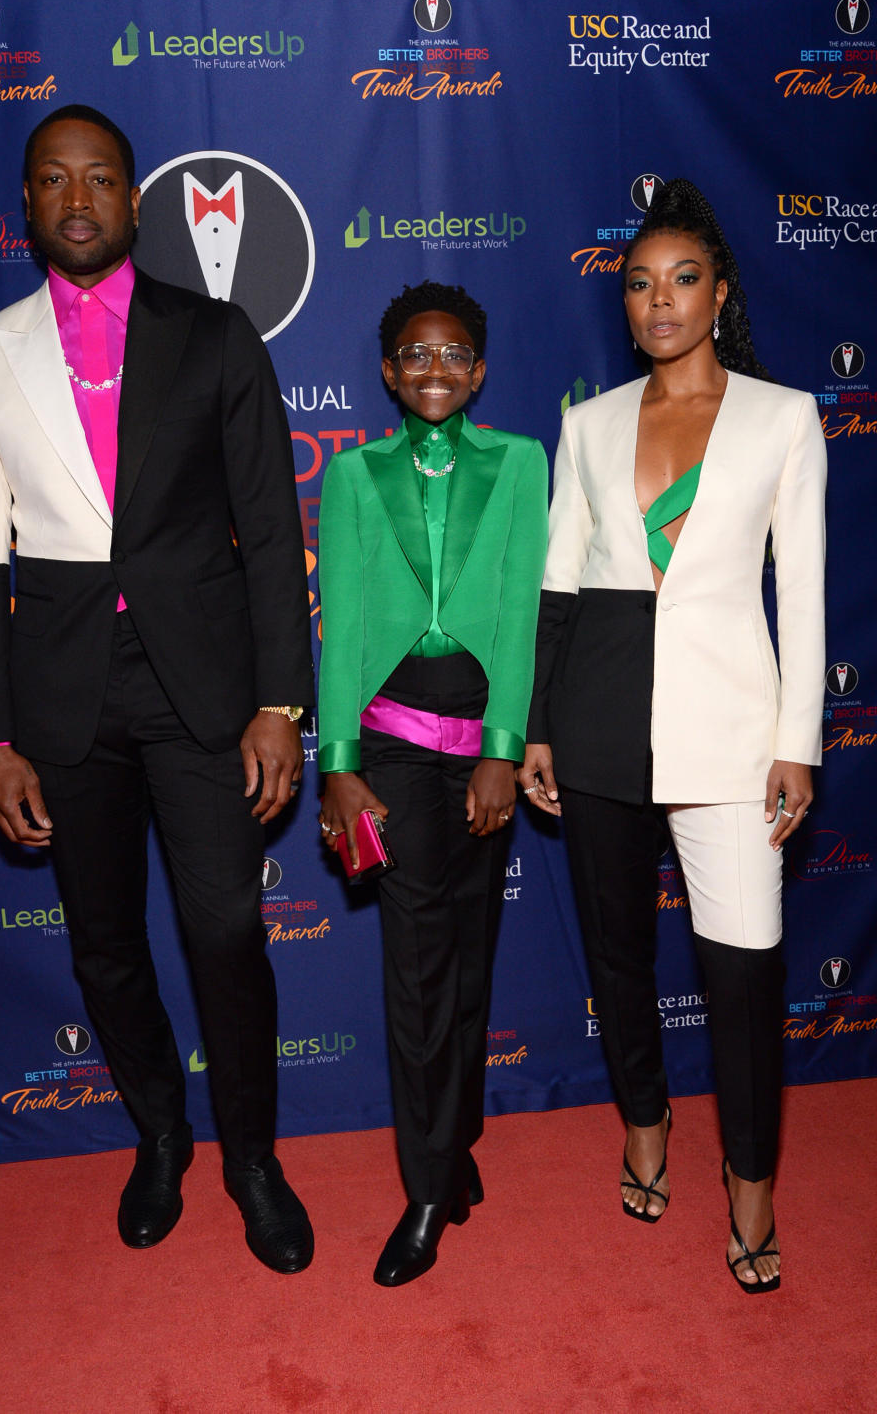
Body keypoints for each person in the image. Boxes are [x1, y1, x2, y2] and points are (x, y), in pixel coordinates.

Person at [0, 104, 316, 1274]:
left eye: (101, 176)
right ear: (30, 204)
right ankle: (161, 1133)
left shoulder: (213, 335)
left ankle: (252, 1154)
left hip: (202, 684)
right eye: (56, 180)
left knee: (226, 930)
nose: (80, 196)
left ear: (136, 200)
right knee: (102, 942)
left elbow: (266, 523)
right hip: (64, 700)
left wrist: (280, 705)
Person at [521, 179, 826, 1293]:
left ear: (719, 291)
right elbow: (558, 585)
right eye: (639, 283)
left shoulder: (785, 417)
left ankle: (752, 1184)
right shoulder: (588, 423)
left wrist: (799, 739)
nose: (659, 301)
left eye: (682, 279)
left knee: (744, 974)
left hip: (735, 738)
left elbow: (806, 593)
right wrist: (540, 725)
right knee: (620, 956)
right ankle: (644, 1125)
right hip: (599, 721)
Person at [317, 281, 548, 1285]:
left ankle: (455, 1145)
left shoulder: (523, 463)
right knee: (417, 965)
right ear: (387, 369)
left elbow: (521, 608)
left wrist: (505, 744)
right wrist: (338, 763)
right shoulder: (355, 474)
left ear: (481, 368)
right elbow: (342, 633)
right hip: (397, 745)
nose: (435, 368)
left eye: (455, 353)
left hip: (482, 743)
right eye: (415, 353)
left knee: (471, 950)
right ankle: (423, 1187)